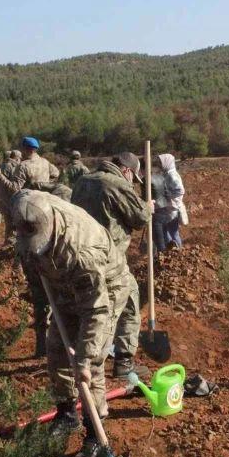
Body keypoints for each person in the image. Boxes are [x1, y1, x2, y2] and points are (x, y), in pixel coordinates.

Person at [11, 189, 131, 457]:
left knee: (92, 364)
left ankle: (94, 435)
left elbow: (96, 310)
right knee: (57, 350)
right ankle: (67, 414)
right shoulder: (27, 205)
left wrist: (85, 359)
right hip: (62, 284)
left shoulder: (81, 252)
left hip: (105, 289)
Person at [72, 152, 154, 378]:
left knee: (89, 308)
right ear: (126, 170)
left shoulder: (83, 180)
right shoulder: (115, 183)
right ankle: (123, 362)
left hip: (82, 256)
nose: (132, 182)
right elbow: (141, 218)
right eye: (133, 178)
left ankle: (81, 357)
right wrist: (147, 206)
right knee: (129, 303)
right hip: (109, 259)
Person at [0, 137, 57, 358]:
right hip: (49, 213)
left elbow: (13, 188)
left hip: (29, 214)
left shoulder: (23, 167)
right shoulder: (46, 164)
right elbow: (56, 175)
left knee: (36, 282)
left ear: (24, 149)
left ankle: (41, 345)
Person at [152, 153, 185, 252]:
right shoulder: (167, 173)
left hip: (172, 208)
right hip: (170, 207)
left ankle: (177, 252)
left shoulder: (171, 175)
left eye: (161, 162)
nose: (159, 164)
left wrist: (167, 196)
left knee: (171, 232)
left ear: (167, 162)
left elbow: (180, 190)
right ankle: (175, 252)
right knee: (170, 231)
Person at [0, 150, 23, 246]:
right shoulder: (11, 167)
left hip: (3, 198)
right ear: (17, 158)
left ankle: (7, 243)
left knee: (9, 225)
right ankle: (9, 245)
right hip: (9, 199)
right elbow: (10, 185)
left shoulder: (4, 166)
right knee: (12, 225)